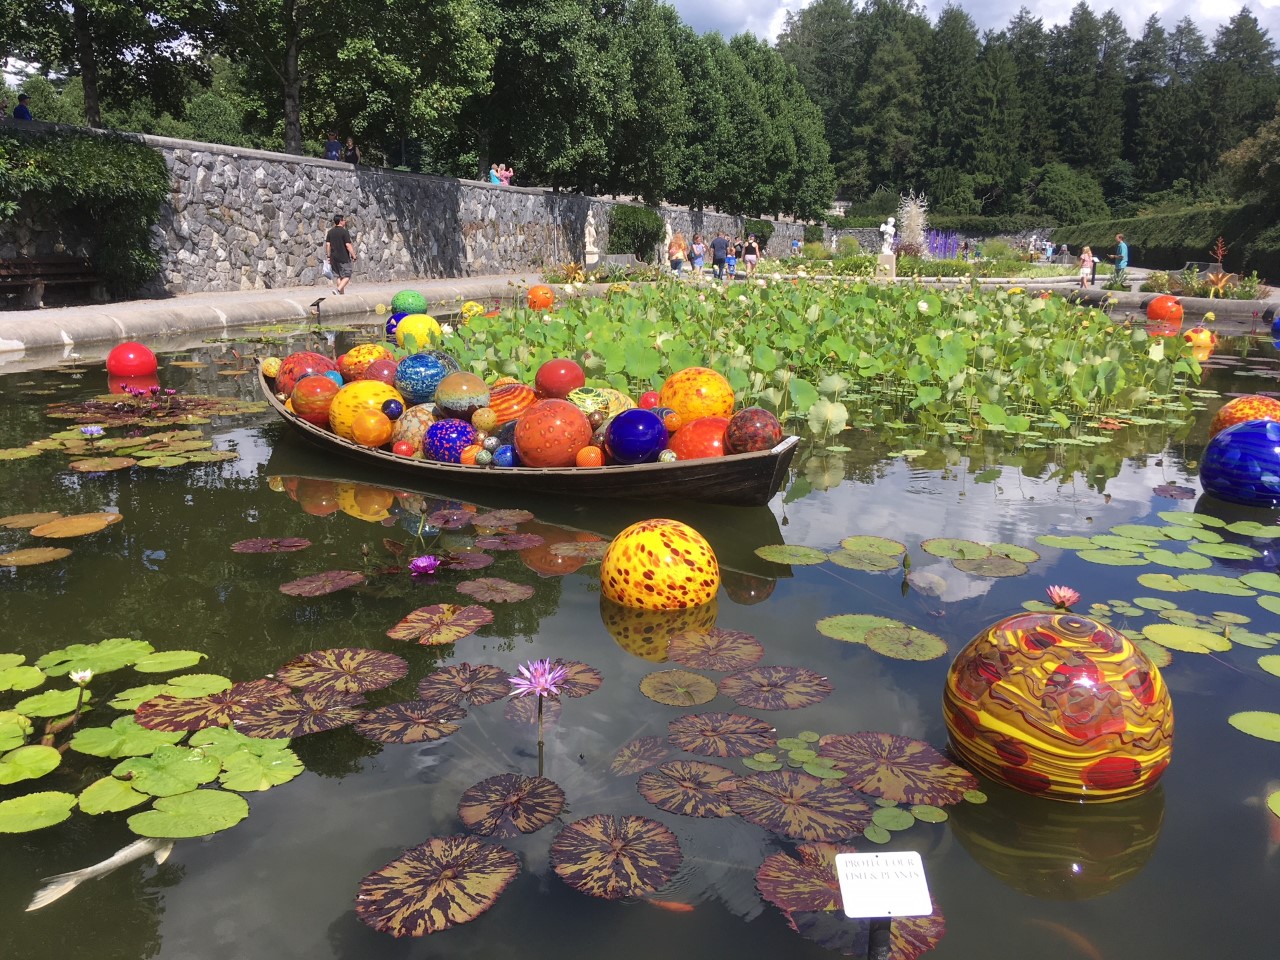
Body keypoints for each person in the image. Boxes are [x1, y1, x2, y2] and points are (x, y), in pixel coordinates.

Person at [325, 214, 357, 295]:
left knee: (339, 277)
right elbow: (348, 245)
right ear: (340, 221)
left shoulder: (330, 232)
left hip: (334, 258)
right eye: (343, 220)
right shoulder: (344, 232)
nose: (345, 221)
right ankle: (338, 290)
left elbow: (328, 245)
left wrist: (328, 256)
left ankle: (341, 295)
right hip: (343, 257)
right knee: (347, 276)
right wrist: (353, 255)